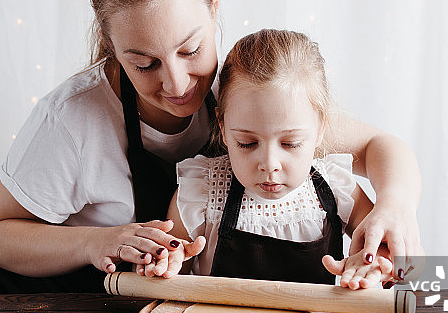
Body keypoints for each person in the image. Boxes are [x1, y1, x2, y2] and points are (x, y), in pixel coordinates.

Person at [0, 0, 423, 293]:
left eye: (190, 50)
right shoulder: (72, 119)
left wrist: (395, 206)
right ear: (111, 45)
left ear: (213, 11)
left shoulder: (244, 95)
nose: (178, 82)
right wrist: (94, 243)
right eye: (144, 64)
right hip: (72, 306)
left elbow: (381, 145)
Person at [138, 29, 408, 288]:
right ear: (222, 125)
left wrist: (375, 266)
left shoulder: (338, 188)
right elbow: (170, 280)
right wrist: (164, 266)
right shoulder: (201, 192)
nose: (269, 164)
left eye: (290, 143)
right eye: (247, 143)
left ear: (320, 128)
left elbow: (395, 263)